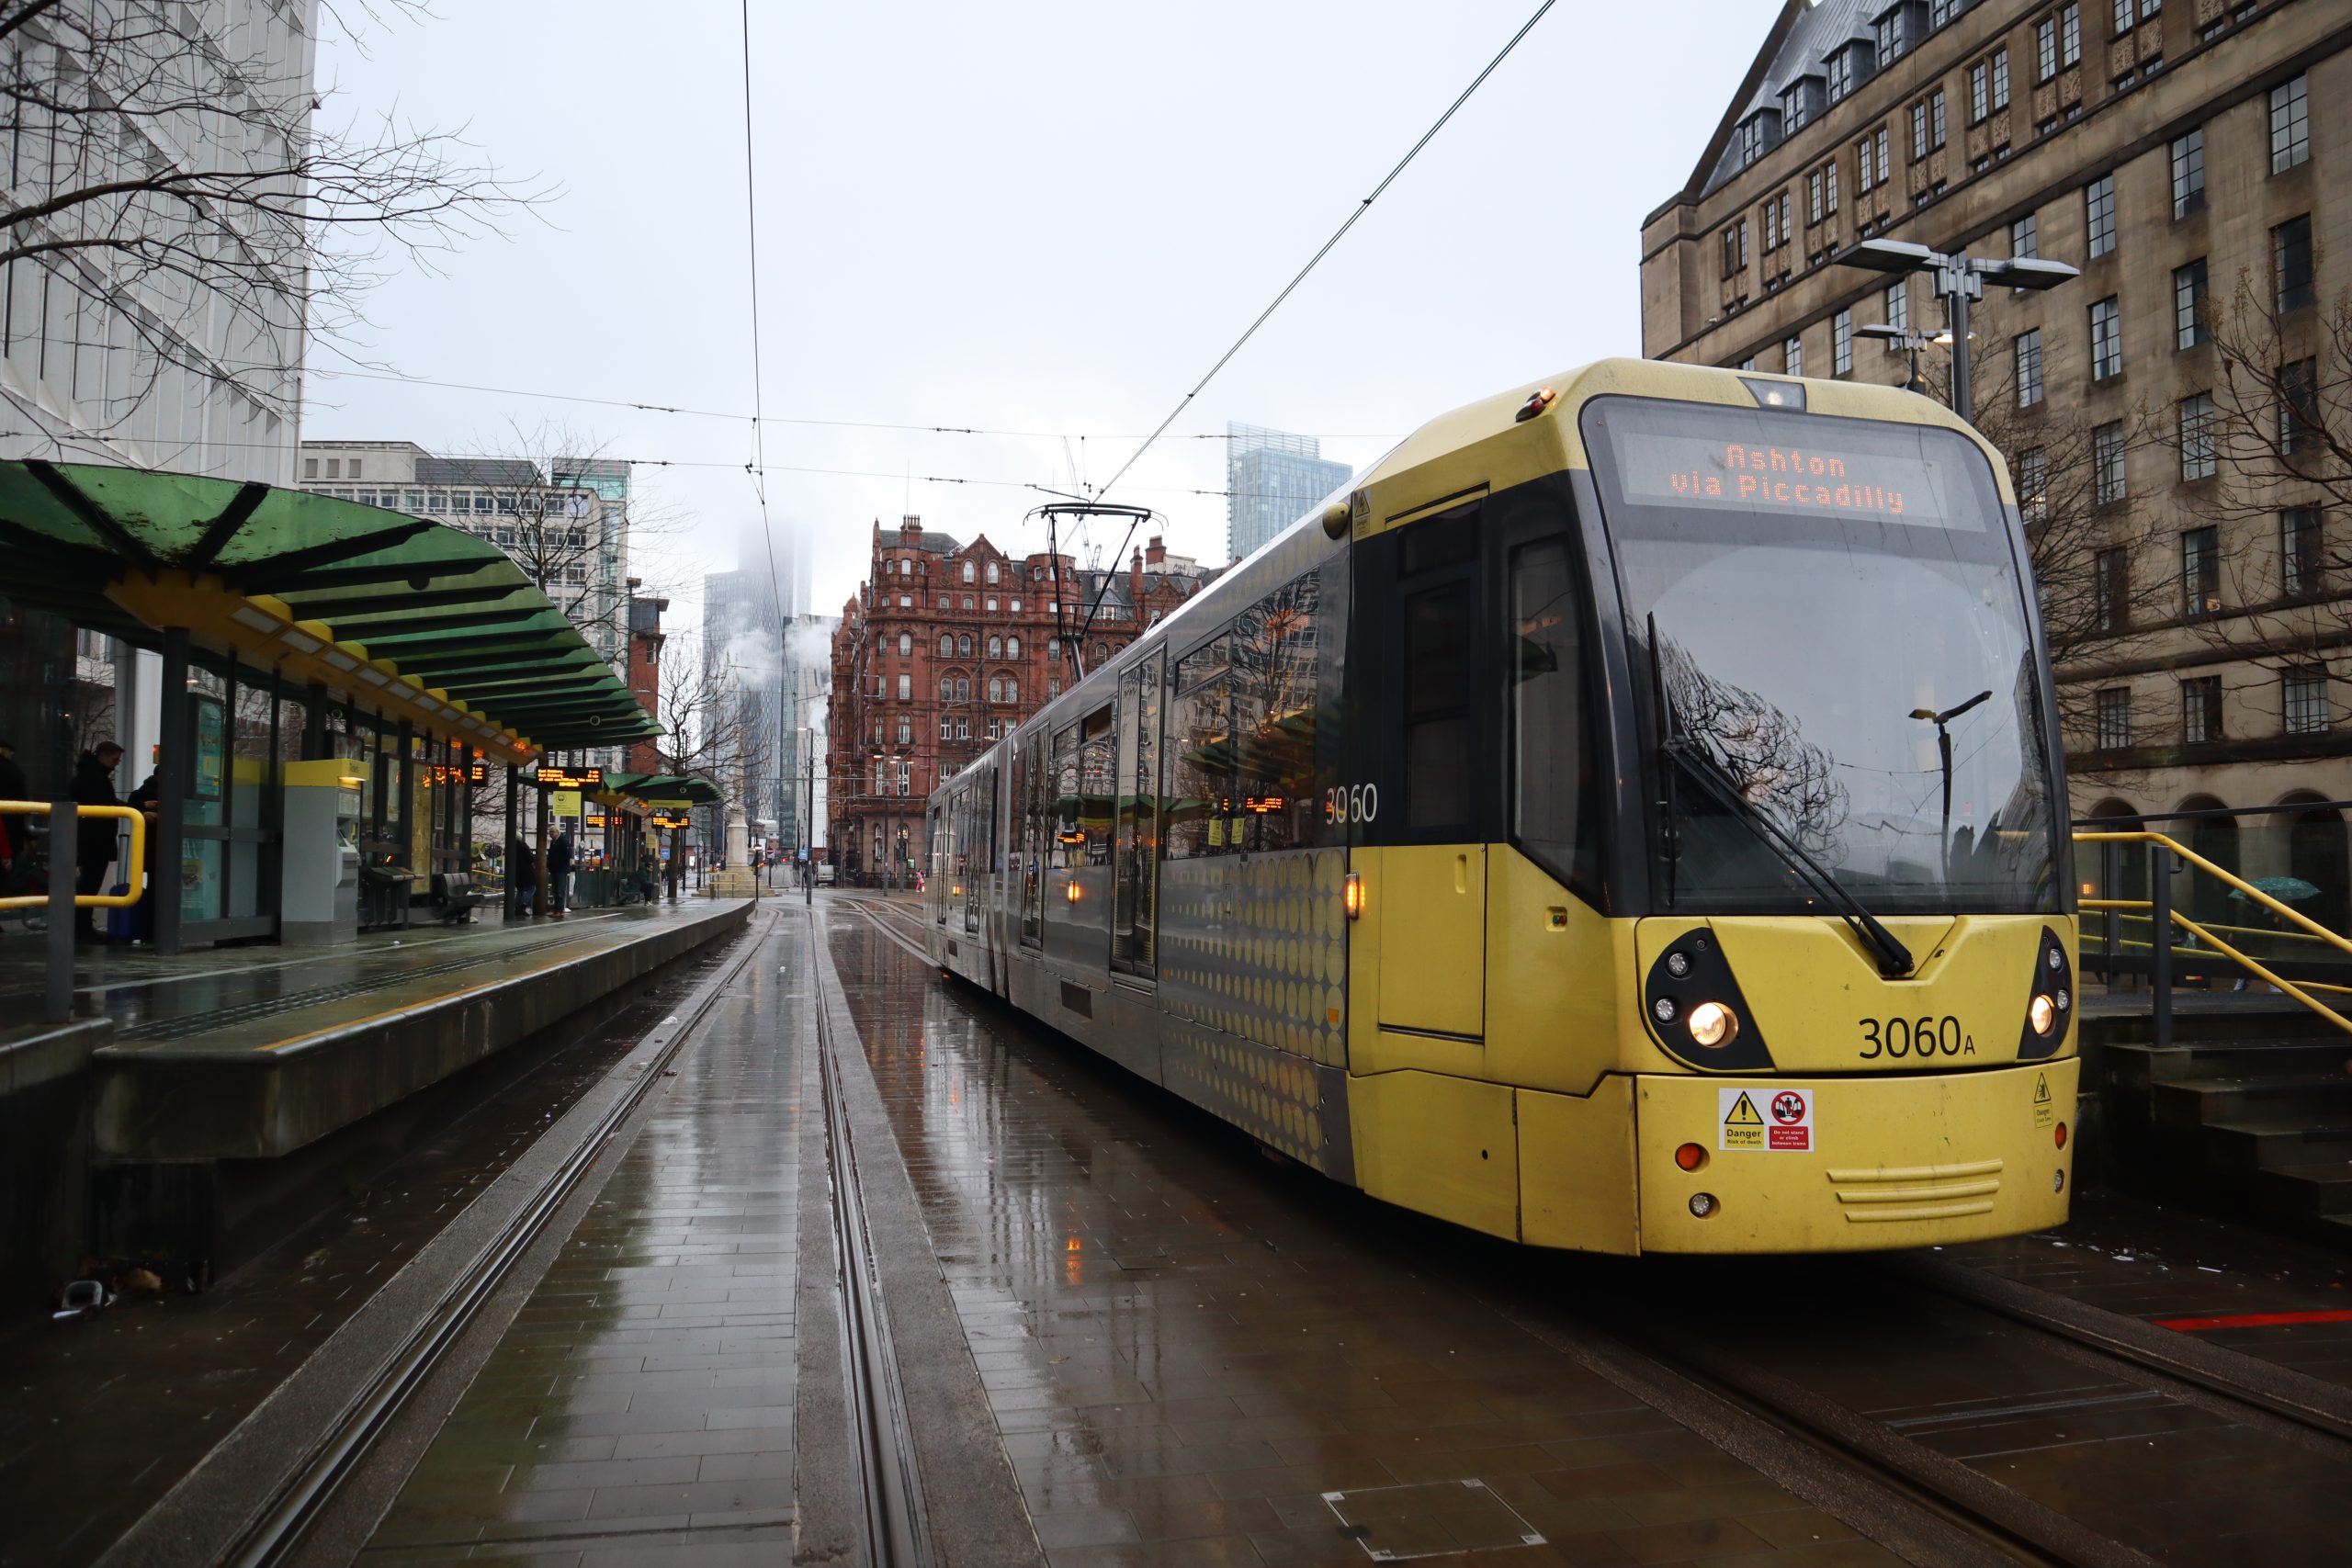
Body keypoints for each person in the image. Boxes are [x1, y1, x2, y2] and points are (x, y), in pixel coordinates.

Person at [71, 741, 125, 942]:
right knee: (89, 884)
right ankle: (82, 928)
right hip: (94, 841)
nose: (116, 764)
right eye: (114, 760)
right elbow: (105, 805)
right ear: (103, 755)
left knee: (88, 884)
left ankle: (82, 926)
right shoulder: (94, 779)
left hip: (91, 839)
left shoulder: (89, 775)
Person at [508, 832, 537, 917]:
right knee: (532, 888)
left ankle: (517, 907)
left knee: (520, 890)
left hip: (516, 872)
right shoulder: (523, 845)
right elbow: (531, 858)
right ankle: (522, 905)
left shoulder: (510, 846)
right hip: (526, 871)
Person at [547, 827, 573, 918]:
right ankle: (556, 910)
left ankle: (560, 910)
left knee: (560, 891)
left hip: (560, 870)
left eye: (552, 832)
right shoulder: (553, 842)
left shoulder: (563, 841)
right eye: (550, 832)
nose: (551, 834)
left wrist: (560, 863)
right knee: (555, 890)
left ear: (557, 833)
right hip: (554, 869)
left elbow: (568, 854)